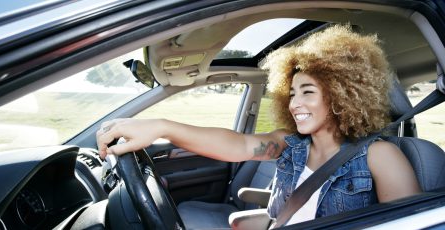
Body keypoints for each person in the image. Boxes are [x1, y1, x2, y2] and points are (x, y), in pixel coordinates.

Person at [96, 25, 421, 225]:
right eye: (291, 93)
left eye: (308, 92)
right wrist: (163, 127)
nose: (294, 104)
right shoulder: (289, 144)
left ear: (343, 94)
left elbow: (413, 225)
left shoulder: (380, 157)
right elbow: (236, 145)